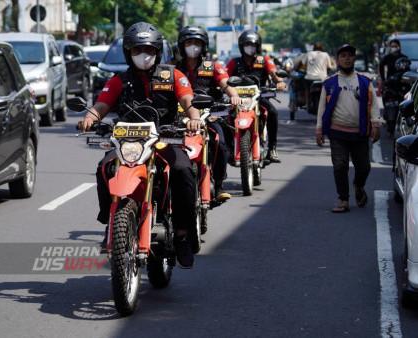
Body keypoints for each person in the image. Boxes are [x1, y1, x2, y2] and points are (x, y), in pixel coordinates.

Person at [77, 22, 201, 269]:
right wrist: (90, 118)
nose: (143, 55)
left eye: (149, 50)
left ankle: (183, 234)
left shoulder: (173, 75)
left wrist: (194, 117)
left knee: (183, 171)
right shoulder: (118, 80)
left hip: (165, 140)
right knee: (105, 167)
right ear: (128, 52)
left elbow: (188, 101)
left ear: (157, 51)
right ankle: (110, 224)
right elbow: (101, 105)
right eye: (137, 50)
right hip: (128, 141)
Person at [175, 25, 241, 202]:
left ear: (204, 45)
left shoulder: (212, 66)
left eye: (197, 42)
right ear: (181, 45)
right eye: (189, 42)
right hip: (177, 116)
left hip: (208, 114)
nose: (193, 46)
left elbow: (226, 83)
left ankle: (218, 184)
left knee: (219, 141)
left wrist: (234, 96)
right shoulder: (170, 67)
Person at [316, 44, 380, 213]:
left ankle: (358, 185)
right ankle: (343, 200)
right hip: (337, 133)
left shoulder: (365, 81)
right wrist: (319, 130)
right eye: (343, 56)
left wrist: (376, 124)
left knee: (364, 167)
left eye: (350, 55)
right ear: (338, 60)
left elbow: (373, 105)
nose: (347, 58)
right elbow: (321, 108)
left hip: (360, 133)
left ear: (354, 59)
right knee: (340, 166)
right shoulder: (329, 83)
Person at [226, 30, 287, 163]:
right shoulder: (234, 62)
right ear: (241, 46)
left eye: (253, 44)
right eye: (247, 44)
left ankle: (272, 148)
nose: (250, 47)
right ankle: (230, 149)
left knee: (272, 112)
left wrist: (279, 81)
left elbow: (273, 72)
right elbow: (224, 79)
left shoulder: (265, 60)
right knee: (225, 117)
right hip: (238, 99)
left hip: (259, 97)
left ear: (258, 46)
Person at [301, 42, 336, 108]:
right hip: (322, 78)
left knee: (307, 88)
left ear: (314, 48)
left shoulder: (309, 53)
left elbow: (303, 63)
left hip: (310, 77)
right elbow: (329, 66)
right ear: (322, 48)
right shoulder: (325, 54)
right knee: (327, 89)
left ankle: (307, 102)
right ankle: (329, 102)